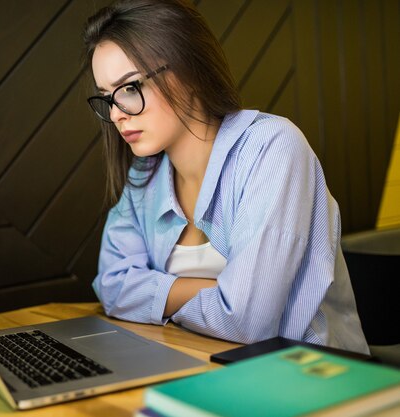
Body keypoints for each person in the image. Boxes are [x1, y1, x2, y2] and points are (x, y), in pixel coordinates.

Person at [83, 0, 369, 354]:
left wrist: (156, 297)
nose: (116, 115)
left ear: (187, 72)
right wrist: (218, 294)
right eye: (107, 98)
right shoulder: (145, 174)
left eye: (129, 88)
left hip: (310, 376)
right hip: (195, 362)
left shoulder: (273, 147)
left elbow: (246, 320)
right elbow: (111, 286)